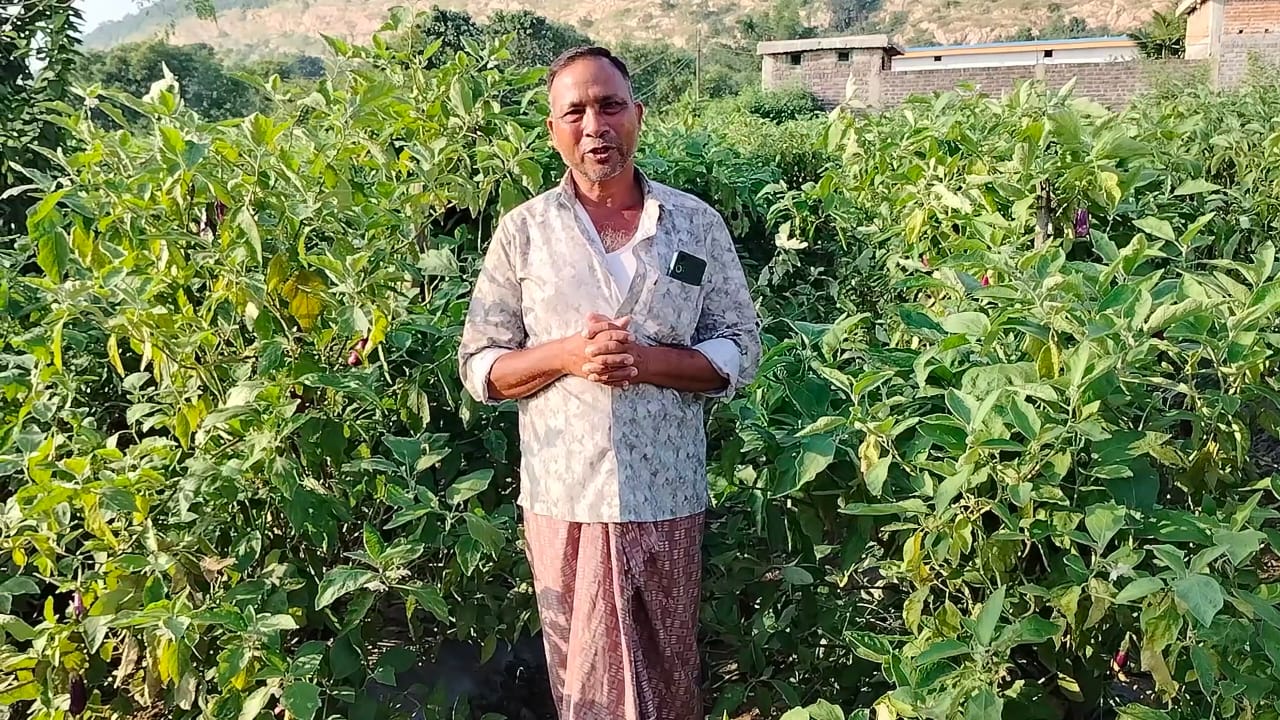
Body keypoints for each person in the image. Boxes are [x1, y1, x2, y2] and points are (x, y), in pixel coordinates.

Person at [456, 45, 761, 720]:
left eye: (610, 106)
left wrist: (645, 362)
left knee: (668, 680)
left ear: (637, 116)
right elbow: (480, 365)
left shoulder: (694, 225)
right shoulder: (524, 233)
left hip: (669, 494)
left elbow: (741, 344)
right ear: (553, 130)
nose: (595, 125)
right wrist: (567, 356)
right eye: (576, 112)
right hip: (566, 500)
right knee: (588, 685)